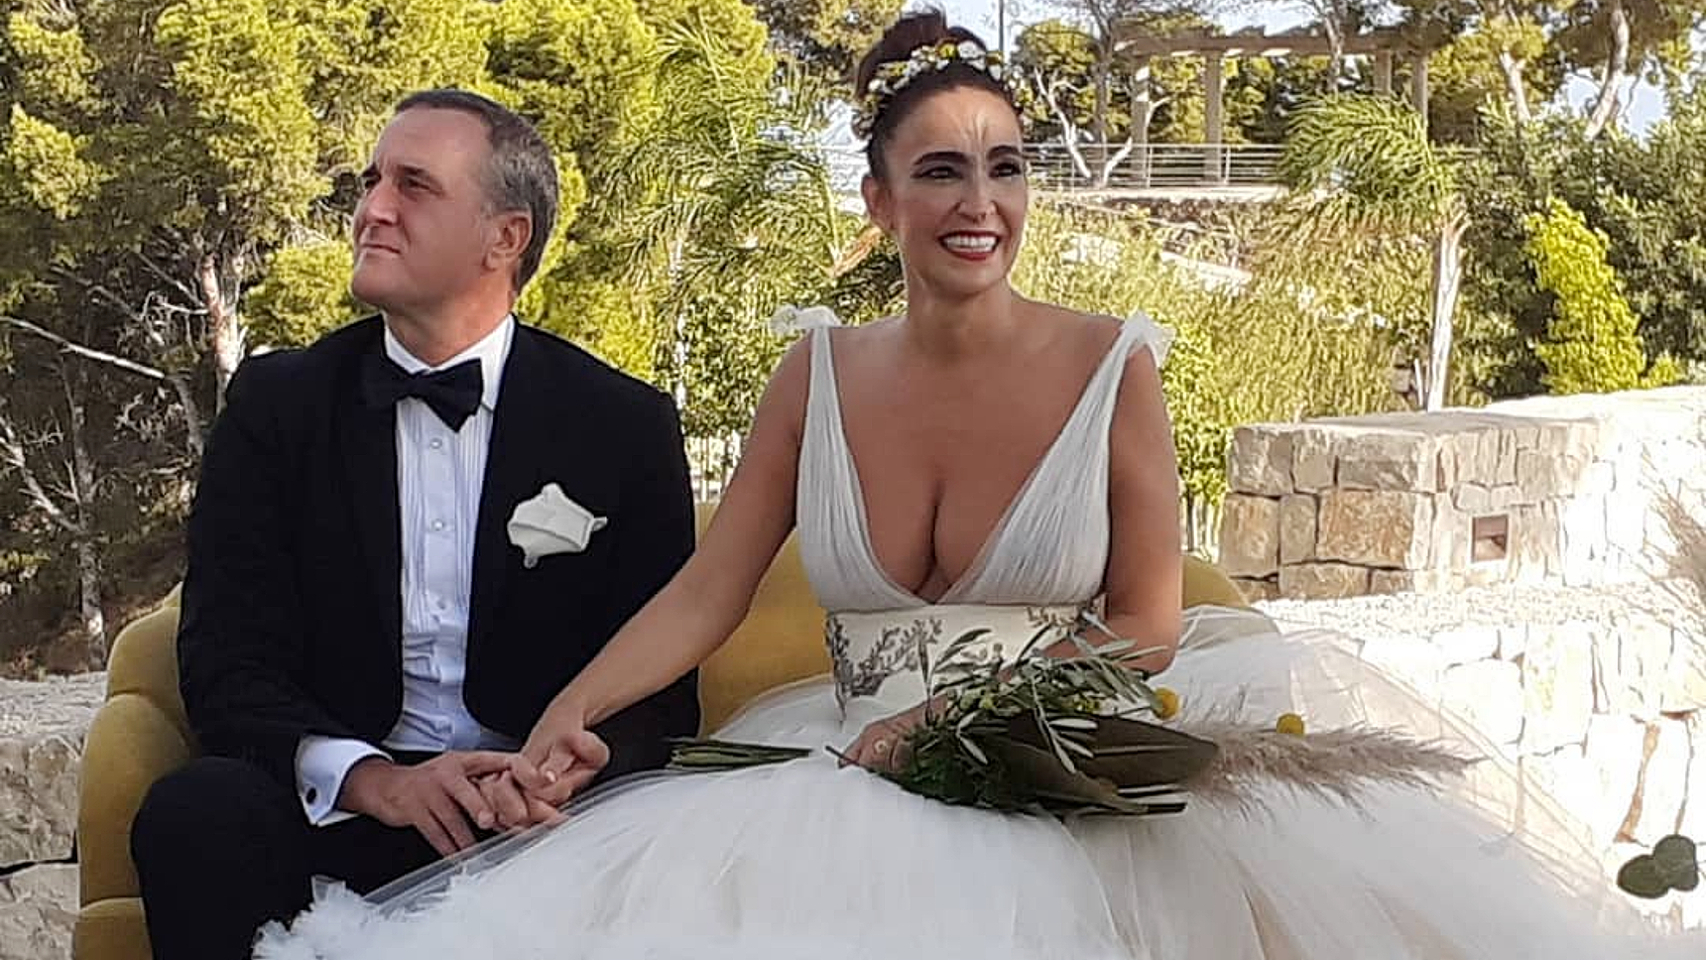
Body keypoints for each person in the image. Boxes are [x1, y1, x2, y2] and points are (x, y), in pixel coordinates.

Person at [254, 14, 1696, 959]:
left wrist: (957, 720)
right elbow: (707, 587)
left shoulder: (1110, 368)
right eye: (938, 172)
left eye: (1005, 168)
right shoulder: (813, 372)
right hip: (835, 756)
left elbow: (1140, 624)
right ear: (877, 202)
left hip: (1052, 755)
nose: (979, 203)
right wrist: (567, 717)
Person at [130, 90, 701, 960]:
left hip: (543, 825)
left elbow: (662, 696)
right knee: (193, 815)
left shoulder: (622, 424)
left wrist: (562, 774)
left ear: (504, 238)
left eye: (413, 186)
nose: (371, 210)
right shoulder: (277, 406)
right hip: (339, 813)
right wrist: (373, 780)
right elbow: (225, 661)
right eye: (371, 183)